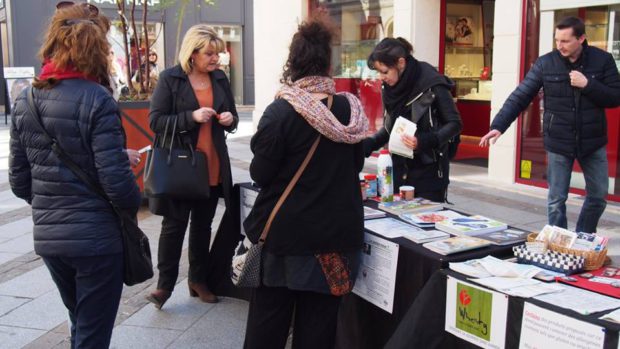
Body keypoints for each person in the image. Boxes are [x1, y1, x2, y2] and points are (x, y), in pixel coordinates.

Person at [9, 2, 141, 348]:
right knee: (93, 334)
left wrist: (56, 202)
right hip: (97, 239)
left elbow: (19, 181)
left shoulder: (26, 101)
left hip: (51, 239)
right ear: (97, 50)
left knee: (81, 324)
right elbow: (120, 189)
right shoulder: (98, 99)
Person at [242, 17, 368, 349]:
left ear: (293, 63)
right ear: (329, 62)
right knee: (318, 331)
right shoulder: (350, 111)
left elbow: (261, 175)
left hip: (285, 241)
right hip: (334, 241)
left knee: (267, 328)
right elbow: (355, 164)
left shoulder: (281, 112)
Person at [479, 17, 620, 233]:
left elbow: (615, 96)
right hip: (558, 140)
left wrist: (588, 84)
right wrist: (498, 125)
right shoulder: (546, 63)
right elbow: (521, 96)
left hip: (593, 140)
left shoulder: (603, 60)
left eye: (565, 41)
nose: (559, 46)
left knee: (599, 195)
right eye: (557, 40)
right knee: (556, 199)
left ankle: (583, 237)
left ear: (581, 38)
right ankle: (559, 241)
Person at [146, 24, 238, 309]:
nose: (216, 59)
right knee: (173, 226)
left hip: (211, 164)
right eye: (210, 54)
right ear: (193, 53)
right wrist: (191, 117)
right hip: (181, 167)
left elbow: (232, 114)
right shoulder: (170, 79)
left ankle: (198, 280)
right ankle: (164, 286)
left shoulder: (220, 79)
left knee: (202, 227)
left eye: (217, 54)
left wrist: (229, 120)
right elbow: (155, 121)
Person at [363, 37, 463, 202]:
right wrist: (367, 145)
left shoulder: (432, 82)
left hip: (428, 173)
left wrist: (423, 141)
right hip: (397, 171)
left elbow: (455, 123)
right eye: (378, 72)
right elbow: (391, 128)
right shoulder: (389, 88)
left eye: (385, 71)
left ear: (401, 63)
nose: (381, 77)